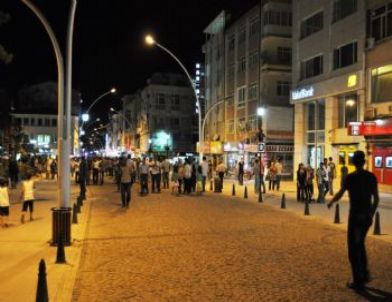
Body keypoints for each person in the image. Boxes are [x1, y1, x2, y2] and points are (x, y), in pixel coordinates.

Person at [328, 151, 379, 290]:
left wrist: (332, 201)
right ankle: (365, 274)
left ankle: (358, 279)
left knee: (353, 248)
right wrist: (371, 214)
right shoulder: (371, 177)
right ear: (364, 162)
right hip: (366, 217)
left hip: (356, 217)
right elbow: (376, 199)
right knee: (360, 243)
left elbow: (341, 192)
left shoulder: (350, 178)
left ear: (354, 162)